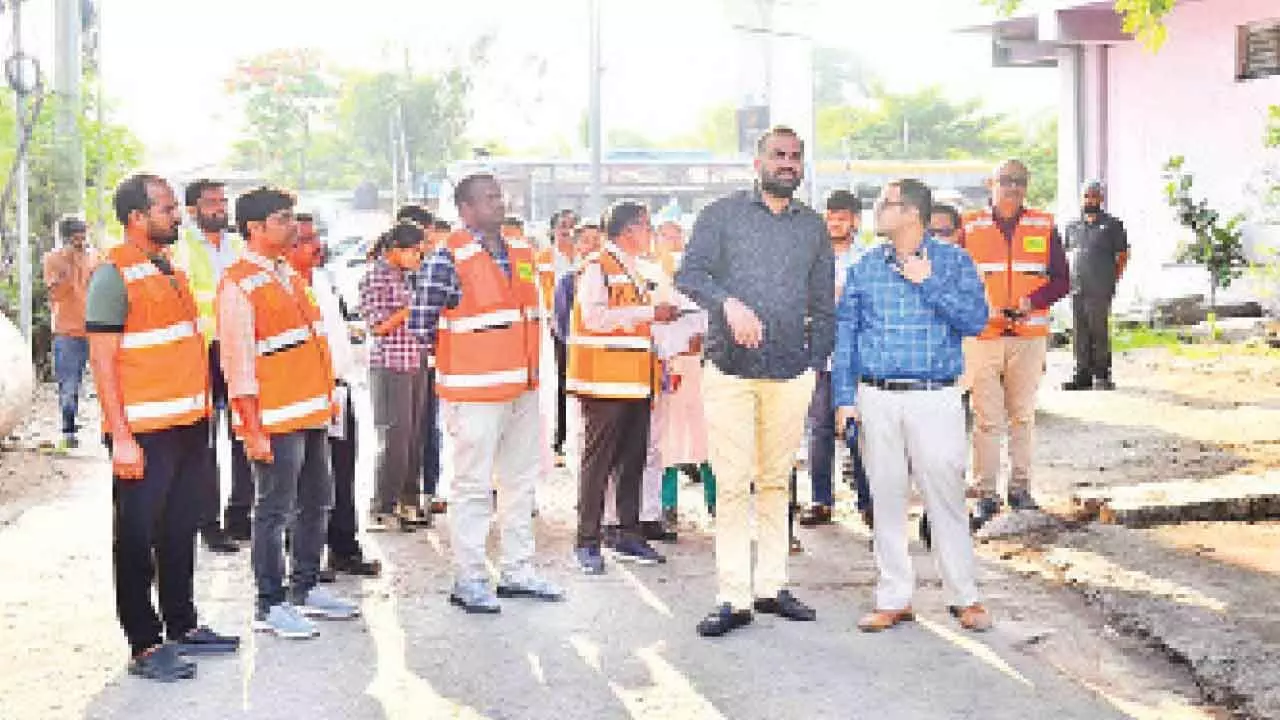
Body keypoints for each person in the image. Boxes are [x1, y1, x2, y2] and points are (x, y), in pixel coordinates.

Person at [676, 126, 833, 638]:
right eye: (778, 155)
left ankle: (770, 586)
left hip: (791, 372)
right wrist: (729, 304)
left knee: (775, 481)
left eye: (795, 157)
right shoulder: (721, 216)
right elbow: (690, 274)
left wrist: (815, 358)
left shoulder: (812, 227)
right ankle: (732, 596)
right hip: (730, 370)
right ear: (758, 162)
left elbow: (824, 301)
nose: (787, 164)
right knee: (733, 484)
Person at [86, 173, 239, 682]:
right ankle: (145, 644)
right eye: (168, 208)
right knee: (136, 538)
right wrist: (122, 437)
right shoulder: (115, 274)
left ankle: (183, 623)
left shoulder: (168, 266)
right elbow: (103, 362)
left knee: (179, 531)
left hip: (188, 426)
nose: (178, 215)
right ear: (137, 217)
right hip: (145, 434)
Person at [833, 178, 993, 634]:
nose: (877, 211)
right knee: (885, 497)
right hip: (876, 396)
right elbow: (846, 336)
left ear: (912, 214)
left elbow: (976, 321)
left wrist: (931, 284)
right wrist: (845, 398)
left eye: (886, 204)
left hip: (935, 397)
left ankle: (965, 597)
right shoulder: (865, 268)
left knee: (945, 496)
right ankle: (894, 598)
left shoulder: (954, 262)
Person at [408, 173, 563, 613]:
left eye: (500, 196)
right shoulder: (446, 259)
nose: (500, 203)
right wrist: (468, 363)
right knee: (473, 487)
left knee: (519, 484)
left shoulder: (519, 249)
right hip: (474, 395)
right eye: (490, 197)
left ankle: (517, 571)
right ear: (466, 208)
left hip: (522, 388)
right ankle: (470, 578)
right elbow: (421, 326)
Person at [217, 187, 358, 638]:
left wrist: (327, 401)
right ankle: (270, 603)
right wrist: (251, 428)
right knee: (273, 511)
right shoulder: (239, 283)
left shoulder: (288, 275)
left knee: (318, 502)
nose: (292, 225)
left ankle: (305, 586)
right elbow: (237, 365)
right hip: (274, 420)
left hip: (311, 413)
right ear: (254, 228)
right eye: (282, 218)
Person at [569, 202, 680, 573]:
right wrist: (650, 313)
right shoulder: (597, 266)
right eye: (646, 227)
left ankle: (627, 532)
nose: (650, 234)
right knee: (598, 463)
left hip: (635, 381)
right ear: (629, 230)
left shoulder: (633, 269)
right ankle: (587, 540)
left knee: (632, 461)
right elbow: (595, 317)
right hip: (602, 382)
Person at [961, 159, 1071, 526]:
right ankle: (986, 495)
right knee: (987, 421)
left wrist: (1033, 302)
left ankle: (1021, 490)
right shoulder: (970, 226)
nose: (1012, 188)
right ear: (991, 184)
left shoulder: (1043, 224)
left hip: (1028, 338)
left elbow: (1062, 280)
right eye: (1006, 181)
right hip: (983, 337)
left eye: (1020, 182)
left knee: (1022, 417)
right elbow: (955, 278)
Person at [286, 214, 381, 577]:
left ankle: (344, 547)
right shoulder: (284, 286)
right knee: (305, 482)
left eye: (316, 238)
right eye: (305, 240)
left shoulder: (323, 281)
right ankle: (303, 556)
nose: (316, 246)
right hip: (304, 396)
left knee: (343, 472)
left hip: (339, 390)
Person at [171, 178, 247, 553]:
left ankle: (240, 516)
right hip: (201, 353)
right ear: (192, 210)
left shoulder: (236, 245)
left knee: (244, 434)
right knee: (205, 443)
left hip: (237, 350)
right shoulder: (181, 247)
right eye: (211, 202)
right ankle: (209, 523)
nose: (220, 208)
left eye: (223, 201)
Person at [798, 189, 872, 529]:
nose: (835, 223)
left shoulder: (870, 259)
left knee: (859, 430)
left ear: (855, 220)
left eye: (842, 217)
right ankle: (820, 500)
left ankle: (868, 501)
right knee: (819, 430)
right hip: (819, 353)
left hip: (857, 356)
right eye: (830, 217)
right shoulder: (810, 258)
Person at [360, 223, 429, 531]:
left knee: (414, 438)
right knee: (395, 439)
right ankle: (381, 506)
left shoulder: (408, 276)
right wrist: (410, 309)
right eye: (414, 251)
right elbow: (376, 326)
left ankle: (407, 501)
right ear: (396, 249)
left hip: (414, 361)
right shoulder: (375, 276)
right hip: (390, 365)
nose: (419, 256)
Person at [652, 222, 717, 524]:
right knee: (669, 442)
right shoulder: (650, 280)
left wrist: (704, 343)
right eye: (664, 235)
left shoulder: (706, 283)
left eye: (676, 234)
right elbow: (653, 330)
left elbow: (717, 325)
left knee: (709, 440)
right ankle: (668, 506)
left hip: (703, 374)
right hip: (669, 373)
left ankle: (716, 503)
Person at [397, 205, 446, 516]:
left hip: (431, 359)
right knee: (407, 433)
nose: (423, 244)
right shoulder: (398, 272)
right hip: (405, 359)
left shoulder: (432, 267)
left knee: (430, 429)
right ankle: (406, 496)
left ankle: (430, 490)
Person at [1062, 180, 1128, 391]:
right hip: (1077, 287)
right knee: (1079, 331)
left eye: (1094, 196)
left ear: (1101, 198)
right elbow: (1067, 254)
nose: (1090, 200)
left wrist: (1112, 278)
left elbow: (1123, 255)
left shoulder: (1112, 225)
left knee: (1098, 330)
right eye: (1086, 196)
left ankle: (1102, 375)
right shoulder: (1072, 226)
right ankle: (1081, 374)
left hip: (1100, 287)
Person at [42, 216, 98, 451]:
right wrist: (69, 266)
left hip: (96, 329)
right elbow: (55, 293)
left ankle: (110, 432)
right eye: (77, 237)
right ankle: (69, 430)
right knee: (69, 385)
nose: (81, 241)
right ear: (66, 237)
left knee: (106, 383)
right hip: (67, 331)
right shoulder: (53, 259)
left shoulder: (95, 257)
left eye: (83, 235)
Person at [539, 209, 579, 467]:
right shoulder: (543, 258)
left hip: (583, 326)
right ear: (552, 229)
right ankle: (560, 437)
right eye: (562, 226)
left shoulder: (582, 256)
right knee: (563, 381)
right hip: (557, 327)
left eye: (571, 226)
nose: (567, 230)